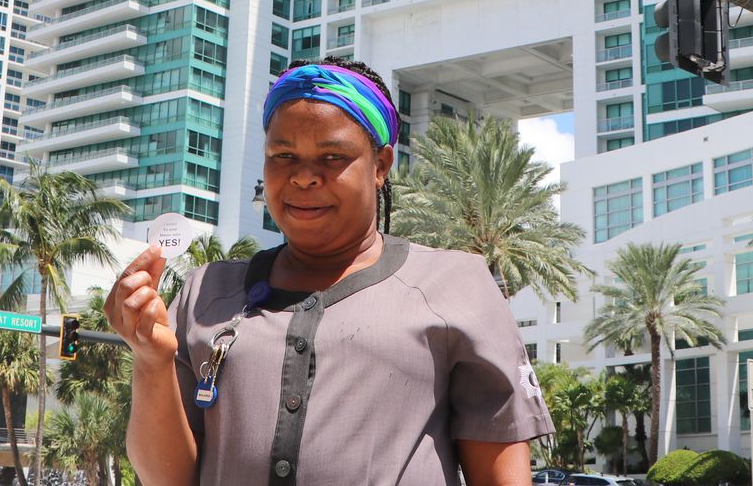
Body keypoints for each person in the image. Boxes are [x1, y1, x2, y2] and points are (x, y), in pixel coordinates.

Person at [106, 55, 550, 486]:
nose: (303, 177)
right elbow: (167, 478)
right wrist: (151, 359)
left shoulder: (456, 285)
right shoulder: (206, 292)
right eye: (283, 156)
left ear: (380, 166)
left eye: (332, 157)